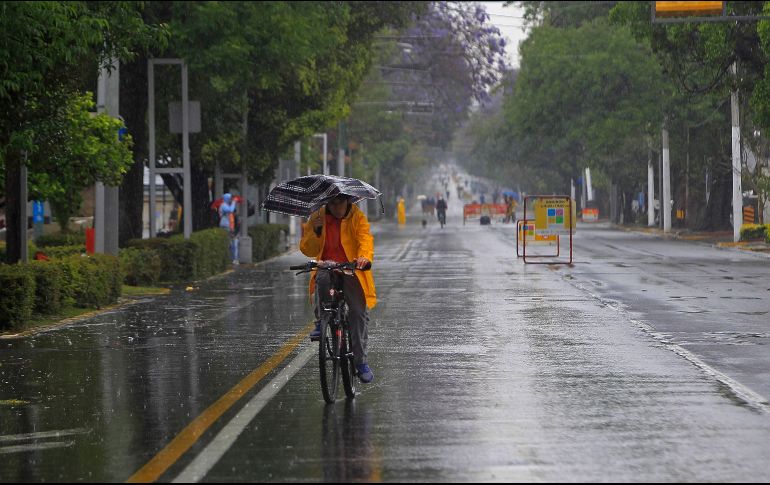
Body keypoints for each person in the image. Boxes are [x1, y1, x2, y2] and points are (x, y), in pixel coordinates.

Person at [301, 194, 377, 383]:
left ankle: (360, 362)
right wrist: (316, 232)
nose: (336, 207)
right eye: (332, 203)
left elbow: (365, 239)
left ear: (348, 202)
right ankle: (321, 320)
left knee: (358, 314)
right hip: (326, 266)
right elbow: (307, 249)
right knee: (322, 278)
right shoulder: (317, 216)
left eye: (340, 202)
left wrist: (363, 258)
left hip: (351, 268)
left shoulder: (357, 217)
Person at [218, 193, 239, 264]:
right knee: (229, 243)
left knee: (232, 243)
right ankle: (228, 259)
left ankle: (233, 258)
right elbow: (230, 210)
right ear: (227, 198)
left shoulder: (226, 205)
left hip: (229, 226)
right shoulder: (223, 205)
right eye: (230, 198)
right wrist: (234, 202)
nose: (231, 200)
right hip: (225, 226)